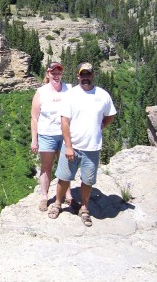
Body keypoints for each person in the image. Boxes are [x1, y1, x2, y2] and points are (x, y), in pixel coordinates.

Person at [48, 62, 116, 227]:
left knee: (88, 180)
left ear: (93, 75)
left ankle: (84, 208)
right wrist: (69, 146)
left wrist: (101, 125)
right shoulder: (71, 95)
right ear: (78, 76)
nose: (85, 77)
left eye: (88, 74)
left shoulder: (103, 95)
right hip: (73, 146)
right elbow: (64, 122)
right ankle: (57, 203)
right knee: (64, 177)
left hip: (92, 147)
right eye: (82, 74)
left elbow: (110, 115)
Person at [31, 62, 79, 212]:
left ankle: (68, 195)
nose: (56, 75)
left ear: (61, 74)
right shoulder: (41, 92)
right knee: (46, 167)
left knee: (65, 166)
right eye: (53, 73)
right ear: (48, 74)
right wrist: (34, 139)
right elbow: (34, 117)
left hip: (65, 135)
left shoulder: (69, 89)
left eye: (58, 73)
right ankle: (44, 197)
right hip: (47, 135)